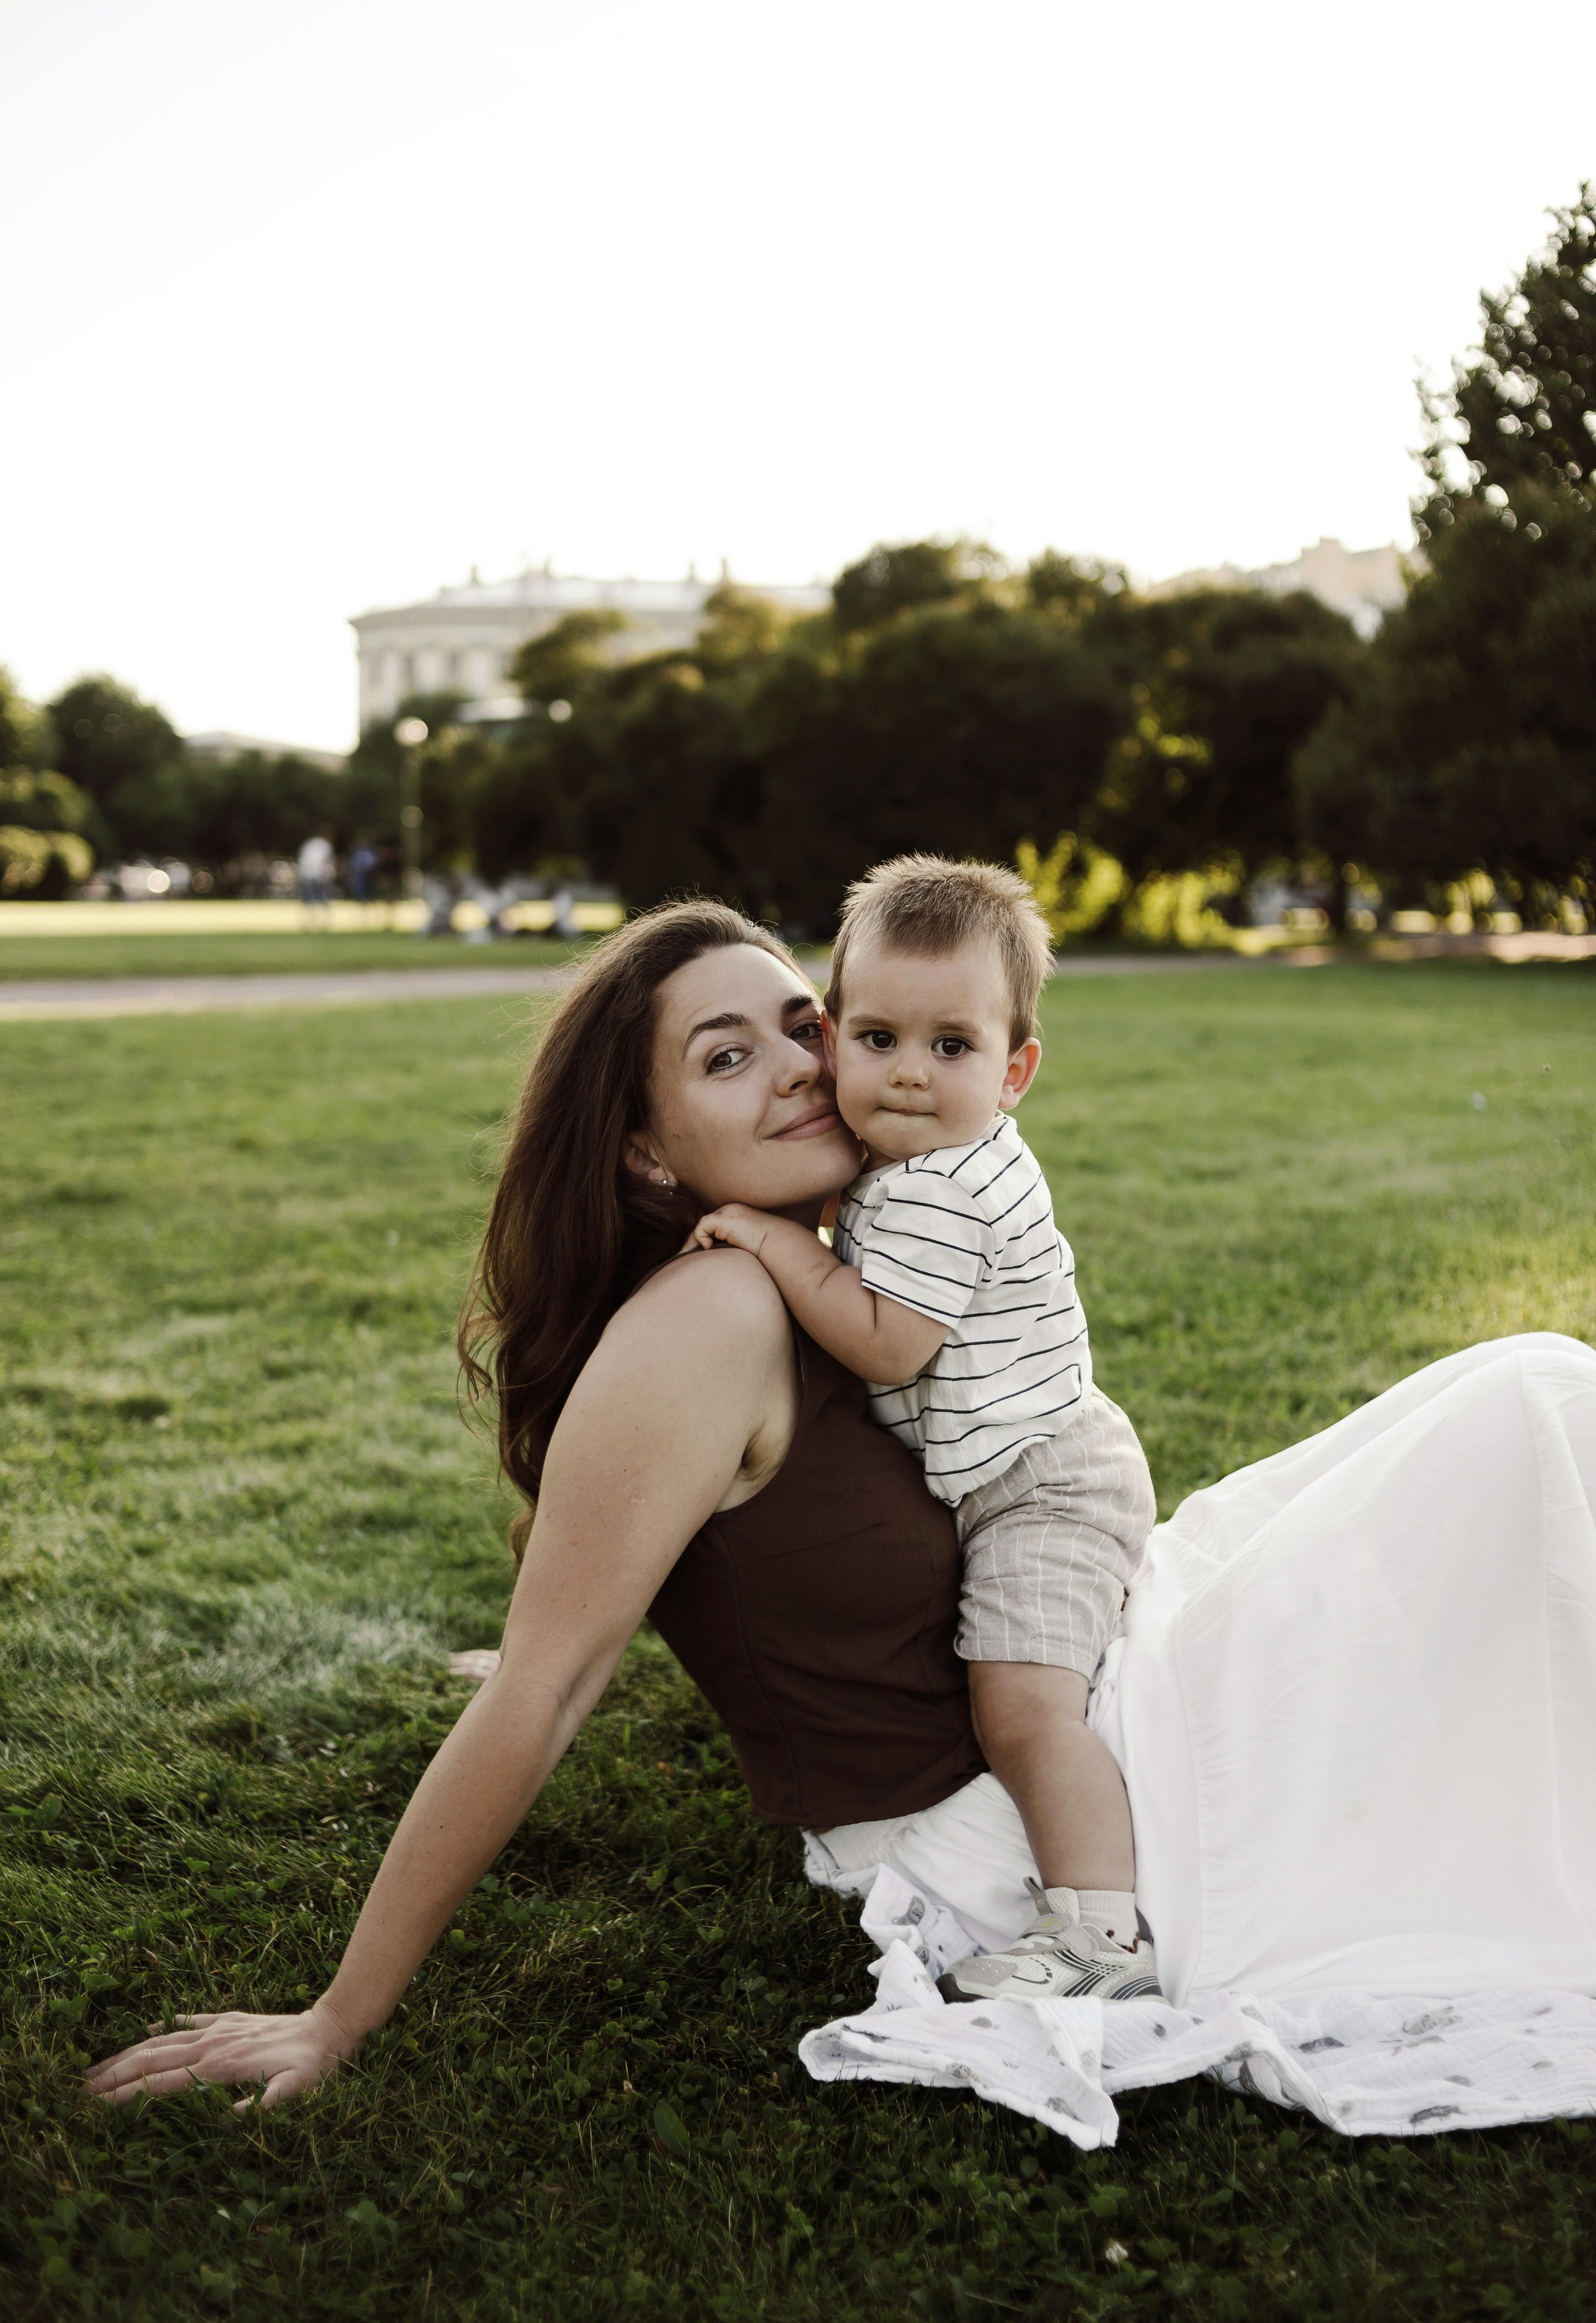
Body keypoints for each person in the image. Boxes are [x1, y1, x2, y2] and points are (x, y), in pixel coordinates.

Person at [83, 895, 1596, 2117]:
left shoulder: (824, 1252)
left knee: (1515, 1441)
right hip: (1056, 1818)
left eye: (804, 1026)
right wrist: (337, 2014)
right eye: (724, 1057)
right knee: (1524, 1416)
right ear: (640, 1147)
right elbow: (547, 1683)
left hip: (1087, 1674)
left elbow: (698, 1556)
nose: (806, 1068)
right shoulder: (714, 1313)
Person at [693, 858, 1157, 2002]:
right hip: (1024, 1455)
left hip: (1042, 1484)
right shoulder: (923, 1154)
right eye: (879, 1039)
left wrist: (775, 1239)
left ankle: (1101, 1936)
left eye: (952, 1046)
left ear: (1015, 1071)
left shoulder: (940, 1189)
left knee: (1021, 1712)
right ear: (834, 1039)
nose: (908, 1074)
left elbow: (889, 1342)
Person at [297, 829, 336, 917]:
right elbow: (327, 860)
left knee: (310, 896)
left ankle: (310, 916)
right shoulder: (325, 845)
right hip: (319, 874)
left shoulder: (309, 843)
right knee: (322, 896)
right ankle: (325, 916)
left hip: (308, 874)